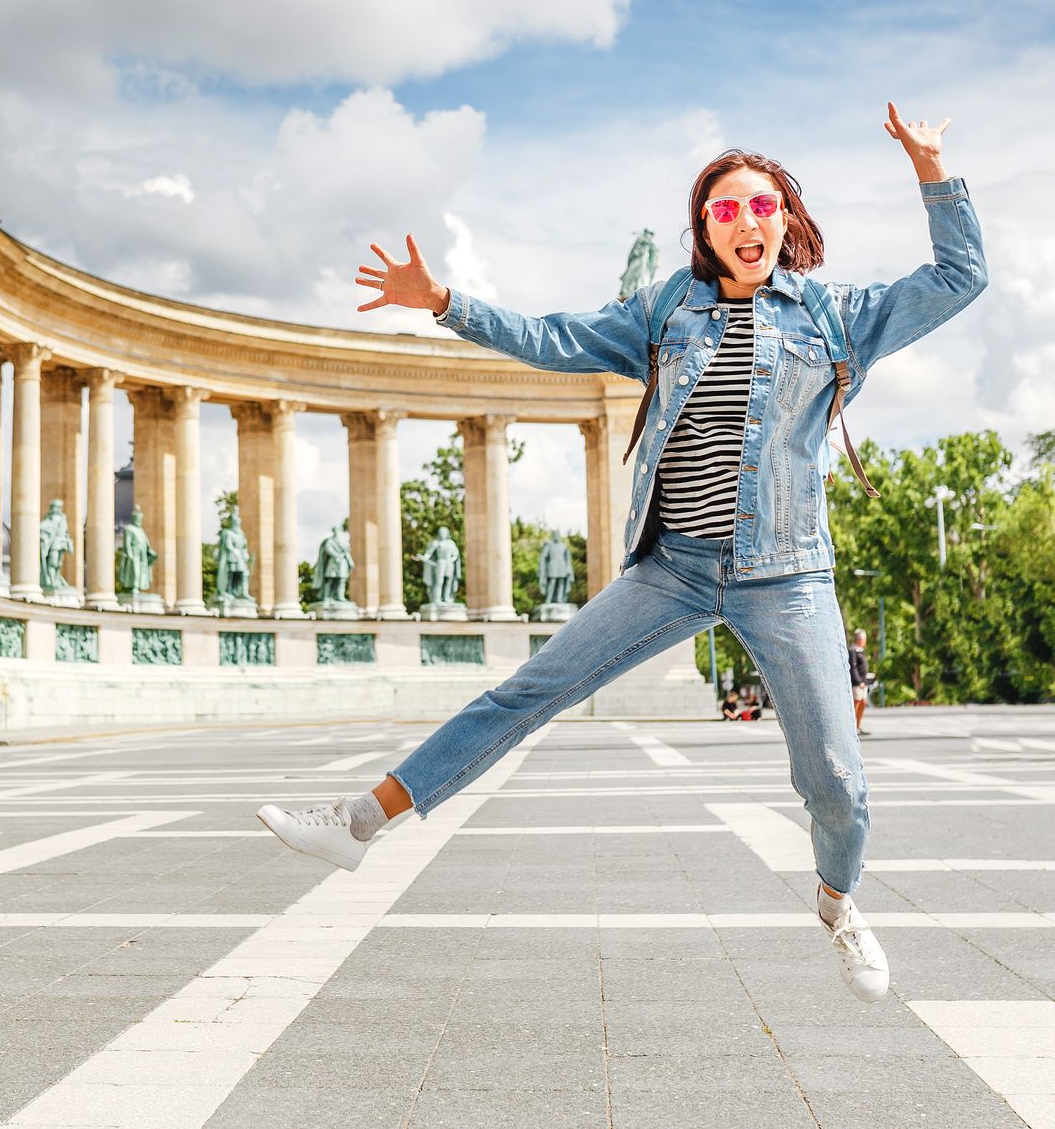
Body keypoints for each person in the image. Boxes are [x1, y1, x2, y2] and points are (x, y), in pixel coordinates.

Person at [257, 105, 986, 1005]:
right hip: (673, 566)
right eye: (725, 211)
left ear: (787, 218)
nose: (746, 222)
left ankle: (839, 903)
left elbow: (961, 275)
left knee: (836, 775)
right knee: (526, 691)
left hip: (788, 573)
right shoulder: (665, 312)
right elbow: (554, 339)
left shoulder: (836, 318)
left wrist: (931, 167)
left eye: (762, 206)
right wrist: (446, 302)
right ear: (704, 231)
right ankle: (358, 822)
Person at [849, 628, 871, 735]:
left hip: (863, 683)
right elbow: (853, 667)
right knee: (856, 704)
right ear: (859, 639)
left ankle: (858, 726)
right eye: (864, 639)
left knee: (863, 703)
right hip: (857, 683)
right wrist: (858, 680)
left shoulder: (860, 651)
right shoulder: (853, 651)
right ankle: (852, 727)